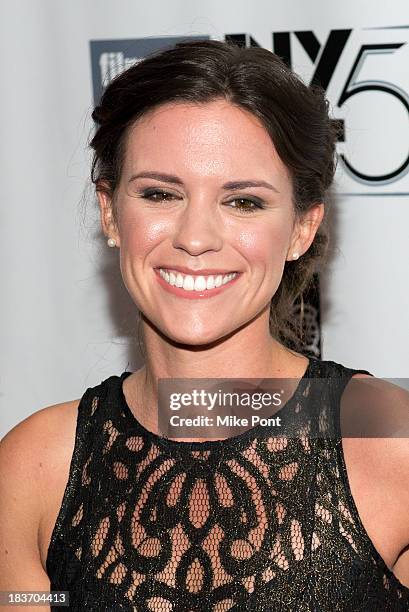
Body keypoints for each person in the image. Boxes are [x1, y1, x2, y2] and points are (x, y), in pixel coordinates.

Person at [1, 39, 408, 611]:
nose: (195, 238)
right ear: (111, 212)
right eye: (160, 194)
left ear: (302, 228)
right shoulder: (34, 466)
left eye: (243, 202)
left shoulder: (391, 442)